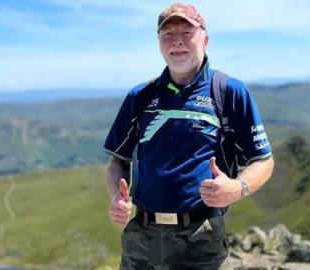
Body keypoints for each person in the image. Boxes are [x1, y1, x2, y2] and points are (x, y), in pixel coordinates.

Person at [104, 2, 274, 269]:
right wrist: (117, 196)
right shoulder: (140, 97)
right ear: (159, 43)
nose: (177, 42)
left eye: (186, 32)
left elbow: (263, 161)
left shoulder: (229, 91)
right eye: (168, 35)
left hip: (201, 237)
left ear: (205, 40)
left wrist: (238, 188)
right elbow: (117, 161)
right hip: (142, 236)